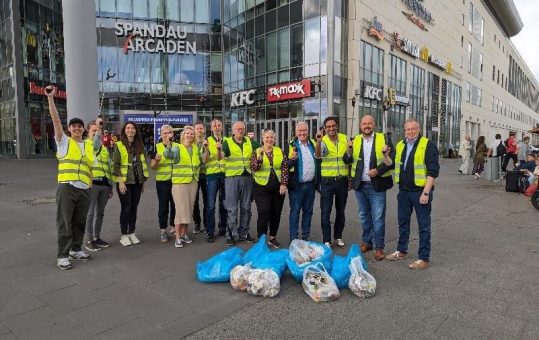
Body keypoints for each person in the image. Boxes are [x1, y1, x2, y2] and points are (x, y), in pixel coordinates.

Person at [46, 85, 93, 269]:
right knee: (65, 222)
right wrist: (51, 98)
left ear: (83, 130)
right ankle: (62, 255)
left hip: (84, 189)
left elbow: (90, 166)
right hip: (67, 187)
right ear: (69, 129)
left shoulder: (88, 145)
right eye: (73, 126)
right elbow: (56, 121)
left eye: (79, 126)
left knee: (80, 221)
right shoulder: (64, 142)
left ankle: (75, 249)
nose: (77, 128)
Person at [386, 118, 439, 270]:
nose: (410, 132)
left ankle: (423, 258)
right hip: (403, 191)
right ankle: (402, 250)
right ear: (405, 131)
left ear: (419, 129)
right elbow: (392, 164)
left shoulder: (428, 145)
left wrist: (426, 193)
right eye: (407, 129)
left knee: (423, 225)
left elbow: (433, 170)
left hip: (420, 192)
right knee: (403, 222)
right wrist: (385, 155)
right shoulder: (401, 144)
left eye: (413, 129)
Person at [344, 115, 394, 261]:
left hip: (377, 185)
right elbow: (347, 161)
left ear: (374, 125)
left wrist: (378, 170)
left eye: (369, 123)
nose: (367, 126)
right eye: (364, 123)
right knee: (364, 217)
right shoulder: (355, 140)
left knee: (378, 218)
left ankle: (379, 247)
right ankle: (367, 242)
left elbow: (392, 161)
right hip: (360, 185)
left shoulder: (383, 139)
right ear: (360, 126)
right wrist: (348, 151)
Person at [315, 116, 352, 248]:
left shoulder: (344, 138)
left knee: (341, 211)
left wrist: (349, 178)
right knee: (326, 211)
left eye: (333, 126)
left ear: (337, 126)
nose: (331, 128)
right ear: (325, 128)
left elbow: (348, 159)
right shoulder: (322, 140)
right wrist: (318, 142)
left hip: (342, 180)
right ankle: (326, 239)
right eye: (328, 126)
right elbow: (318, 155)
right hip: (327, 181)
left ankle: (338, 236)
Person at [222, 121, 260, 246]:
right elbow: (221, 154)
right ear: (233, 131)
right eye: (238, 129)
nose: (240, 131)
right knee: (232, 208)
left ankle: (244, 233)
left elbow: (260, 148)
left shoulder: (249, 141)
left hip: (247, 178)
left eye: (242, 129)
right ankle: (231, 235)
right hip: (232, 178)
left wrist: (260, 153)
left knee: (246, 208)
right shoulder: (227, 142)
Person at [112, 121, 149, 246]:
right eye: (128, 128)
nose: (130, 130)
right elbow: (115, 165)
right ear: (124, 130)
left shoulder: (139, 145)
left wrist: (143, 182)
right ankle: (124, 235)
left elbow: (142, 165)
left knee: (134, 208)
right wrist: (121, 182)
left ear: (135, 131)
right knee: (126, 208)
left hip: (137, 182)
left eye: (132, 128)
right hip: (125, 182)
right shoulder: (119, 145)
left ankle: (132, 232)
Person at [250, 129, 289, 248]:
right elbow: (254, 168)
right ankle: (261, 238)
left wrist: (284, 184)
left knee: (276, 212)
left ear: (274, 139)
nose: (269, 140)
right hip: (261, 186)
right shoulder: (256, 151)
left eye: (271, 137)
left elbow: (285, 168)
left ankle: (272, 237)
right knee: (264, 211)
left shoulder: (279, 151)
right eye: (267, 137)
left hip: (277, 186)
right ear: (262, 139)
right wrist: (260, 158)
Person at [163, 126, 200, 248]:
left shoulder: (195, 148)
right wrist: (168, 144)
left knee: (188, 209)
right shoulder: (177, 147)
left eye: (191, 134)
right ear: (183, 135)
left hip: (192, 183)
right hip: (180, 184)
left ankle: (184, 234)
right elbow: (168, 155)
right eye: (187, 133)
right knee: (180, 211)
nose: (189, 135)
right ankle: (177, 237)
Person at [84, 118, 113, 252]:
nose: (96, 133)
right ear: (88, 132)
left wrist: (110, 185)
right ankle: (89, 240)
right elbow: (94, 147)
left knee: (100, 213)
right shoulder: (87, 145)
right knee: (90, 214)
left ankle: (97, 237)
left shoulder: (105, 149)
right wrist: (99, 127)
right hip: (92, 184)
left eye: (97, 131)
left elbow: (108, 166)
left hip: (105, 184)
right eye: (93, 131)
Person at [287, 122, 318, 242]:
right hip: (296, 186)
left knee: (308, 211)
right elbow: (285, 165)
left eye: (304, 130)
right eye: (300, 131)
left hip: (310, 184)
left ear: (308, 131)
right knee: (295, 212)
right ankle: (293, 238)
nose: (302, 133)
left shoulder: (313, 144)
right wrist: (292, 160)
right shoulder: (291, 145)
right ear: (296, 132)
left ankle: (305, 236)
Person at [201, 119, 227, 243]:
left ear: (222, 127)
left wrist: (219, 149)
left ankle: (223, 227)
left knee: (224, 203)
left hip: (225, 175)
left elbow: (224, 157)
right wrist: (206, 149)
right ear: (211, 128)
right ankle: (210, 231)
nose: (217, 128)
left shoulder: (226, 140)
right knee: (210, 204)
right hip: (211, 176)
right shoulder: (207, 141)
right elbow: (204, 161)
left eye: (219, 125)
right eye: (214, 126)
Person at [150, 125, 176, 243]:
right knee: (163, 206)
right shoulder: (156, 147)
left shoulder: (178, 147)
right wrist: (156, 160)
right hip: (163, 182)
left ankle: (174, 227)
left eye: (169, 133)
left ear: (172, 134)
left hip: (176, 181)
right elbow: (153, 167)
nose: (167, 135)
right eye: (164, 133)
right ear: (161, 135)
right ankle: (163, 231)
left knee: (175, 206)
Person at [192, 122, 207, 234]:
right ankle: (197, 223)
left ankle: (207, 224)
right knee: (194, 201)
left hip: (206, 175)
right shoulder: (189, 142)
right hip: (194, 176)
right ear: (194, 130)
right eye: (197, 129)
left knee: (208, 201)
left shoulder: (208, 142)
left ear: (204, 130)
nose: (199, 131)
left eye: (201, 129)